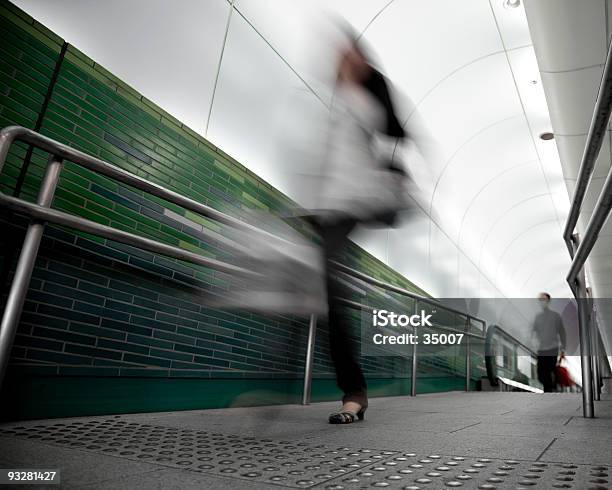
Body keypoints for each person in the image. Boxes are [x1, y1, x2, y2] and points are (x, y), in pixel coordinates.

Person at [308, 29, 409, 424]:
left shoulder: (367, 106)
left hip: (348, 208)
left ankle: (354, 392)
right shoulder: (328, 102)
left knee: (331, 296)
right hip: (323, 210)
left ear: (361, 61)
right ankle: (350, 390)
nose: (341, 58)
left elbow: (388, 147)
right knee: (319, 296)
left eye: (349, 53)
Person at [532, 292, 566, 392]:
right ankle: (551, 387)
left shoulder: (556, 316)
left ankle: (549, 391)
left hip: (552, 348)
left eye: (543, 300)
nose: (541, 302)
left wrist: (563, 349)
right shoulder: (538, 317)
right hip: (541, 349)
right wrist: (533, 342)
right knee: (541, 372)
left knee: (549, 369)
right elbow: (534, 332)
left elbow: (562, 333)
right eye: (540, 300)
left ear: (548, 301)